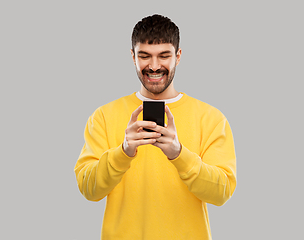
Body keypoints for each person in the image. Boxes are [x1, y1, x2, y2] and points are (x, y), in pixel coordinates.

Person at [74, 14, 237, 240]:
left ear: (178, 56)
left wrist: (179, 154)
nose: (153, 66)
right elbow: (89, 190)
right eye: (144, 56)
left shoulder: (210, 118)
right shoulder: (103, 116)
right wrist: (123, 152)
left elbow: (222, 193)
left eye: (164, 55)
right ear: (133, 56)